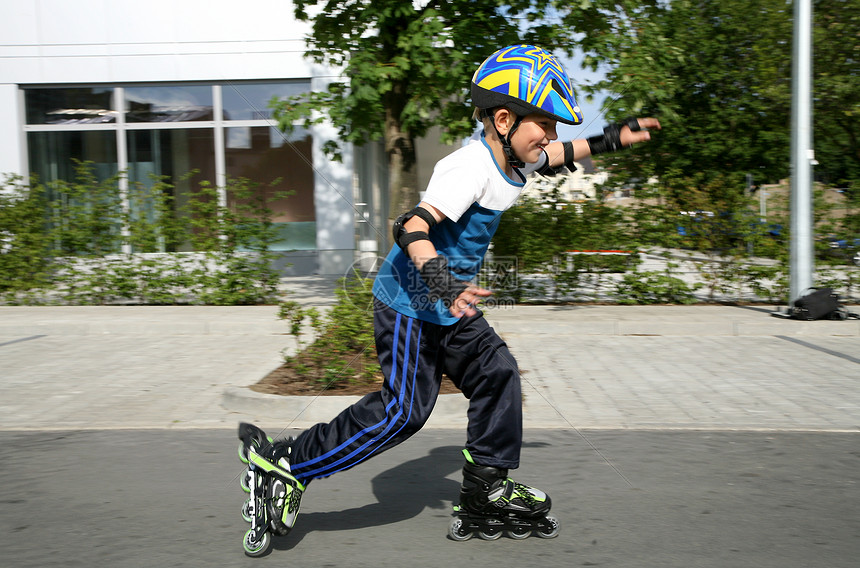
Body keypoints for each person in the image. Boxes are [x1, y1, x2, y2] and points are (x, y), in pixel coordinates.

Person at [238, 43, 660, 551]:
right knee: (404, 413)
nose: (551, 137)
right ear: (504, 119)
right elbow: (410, 226)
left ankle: (486, 487)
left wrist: (613, 138)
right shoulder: (468, 168)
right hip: (410, 301)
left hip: (450, 303)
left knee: (498, 372)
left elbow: (558, 156)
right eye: (544, 125)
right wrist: (441, 279)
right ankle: (288, 464)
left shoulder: (516, 157)